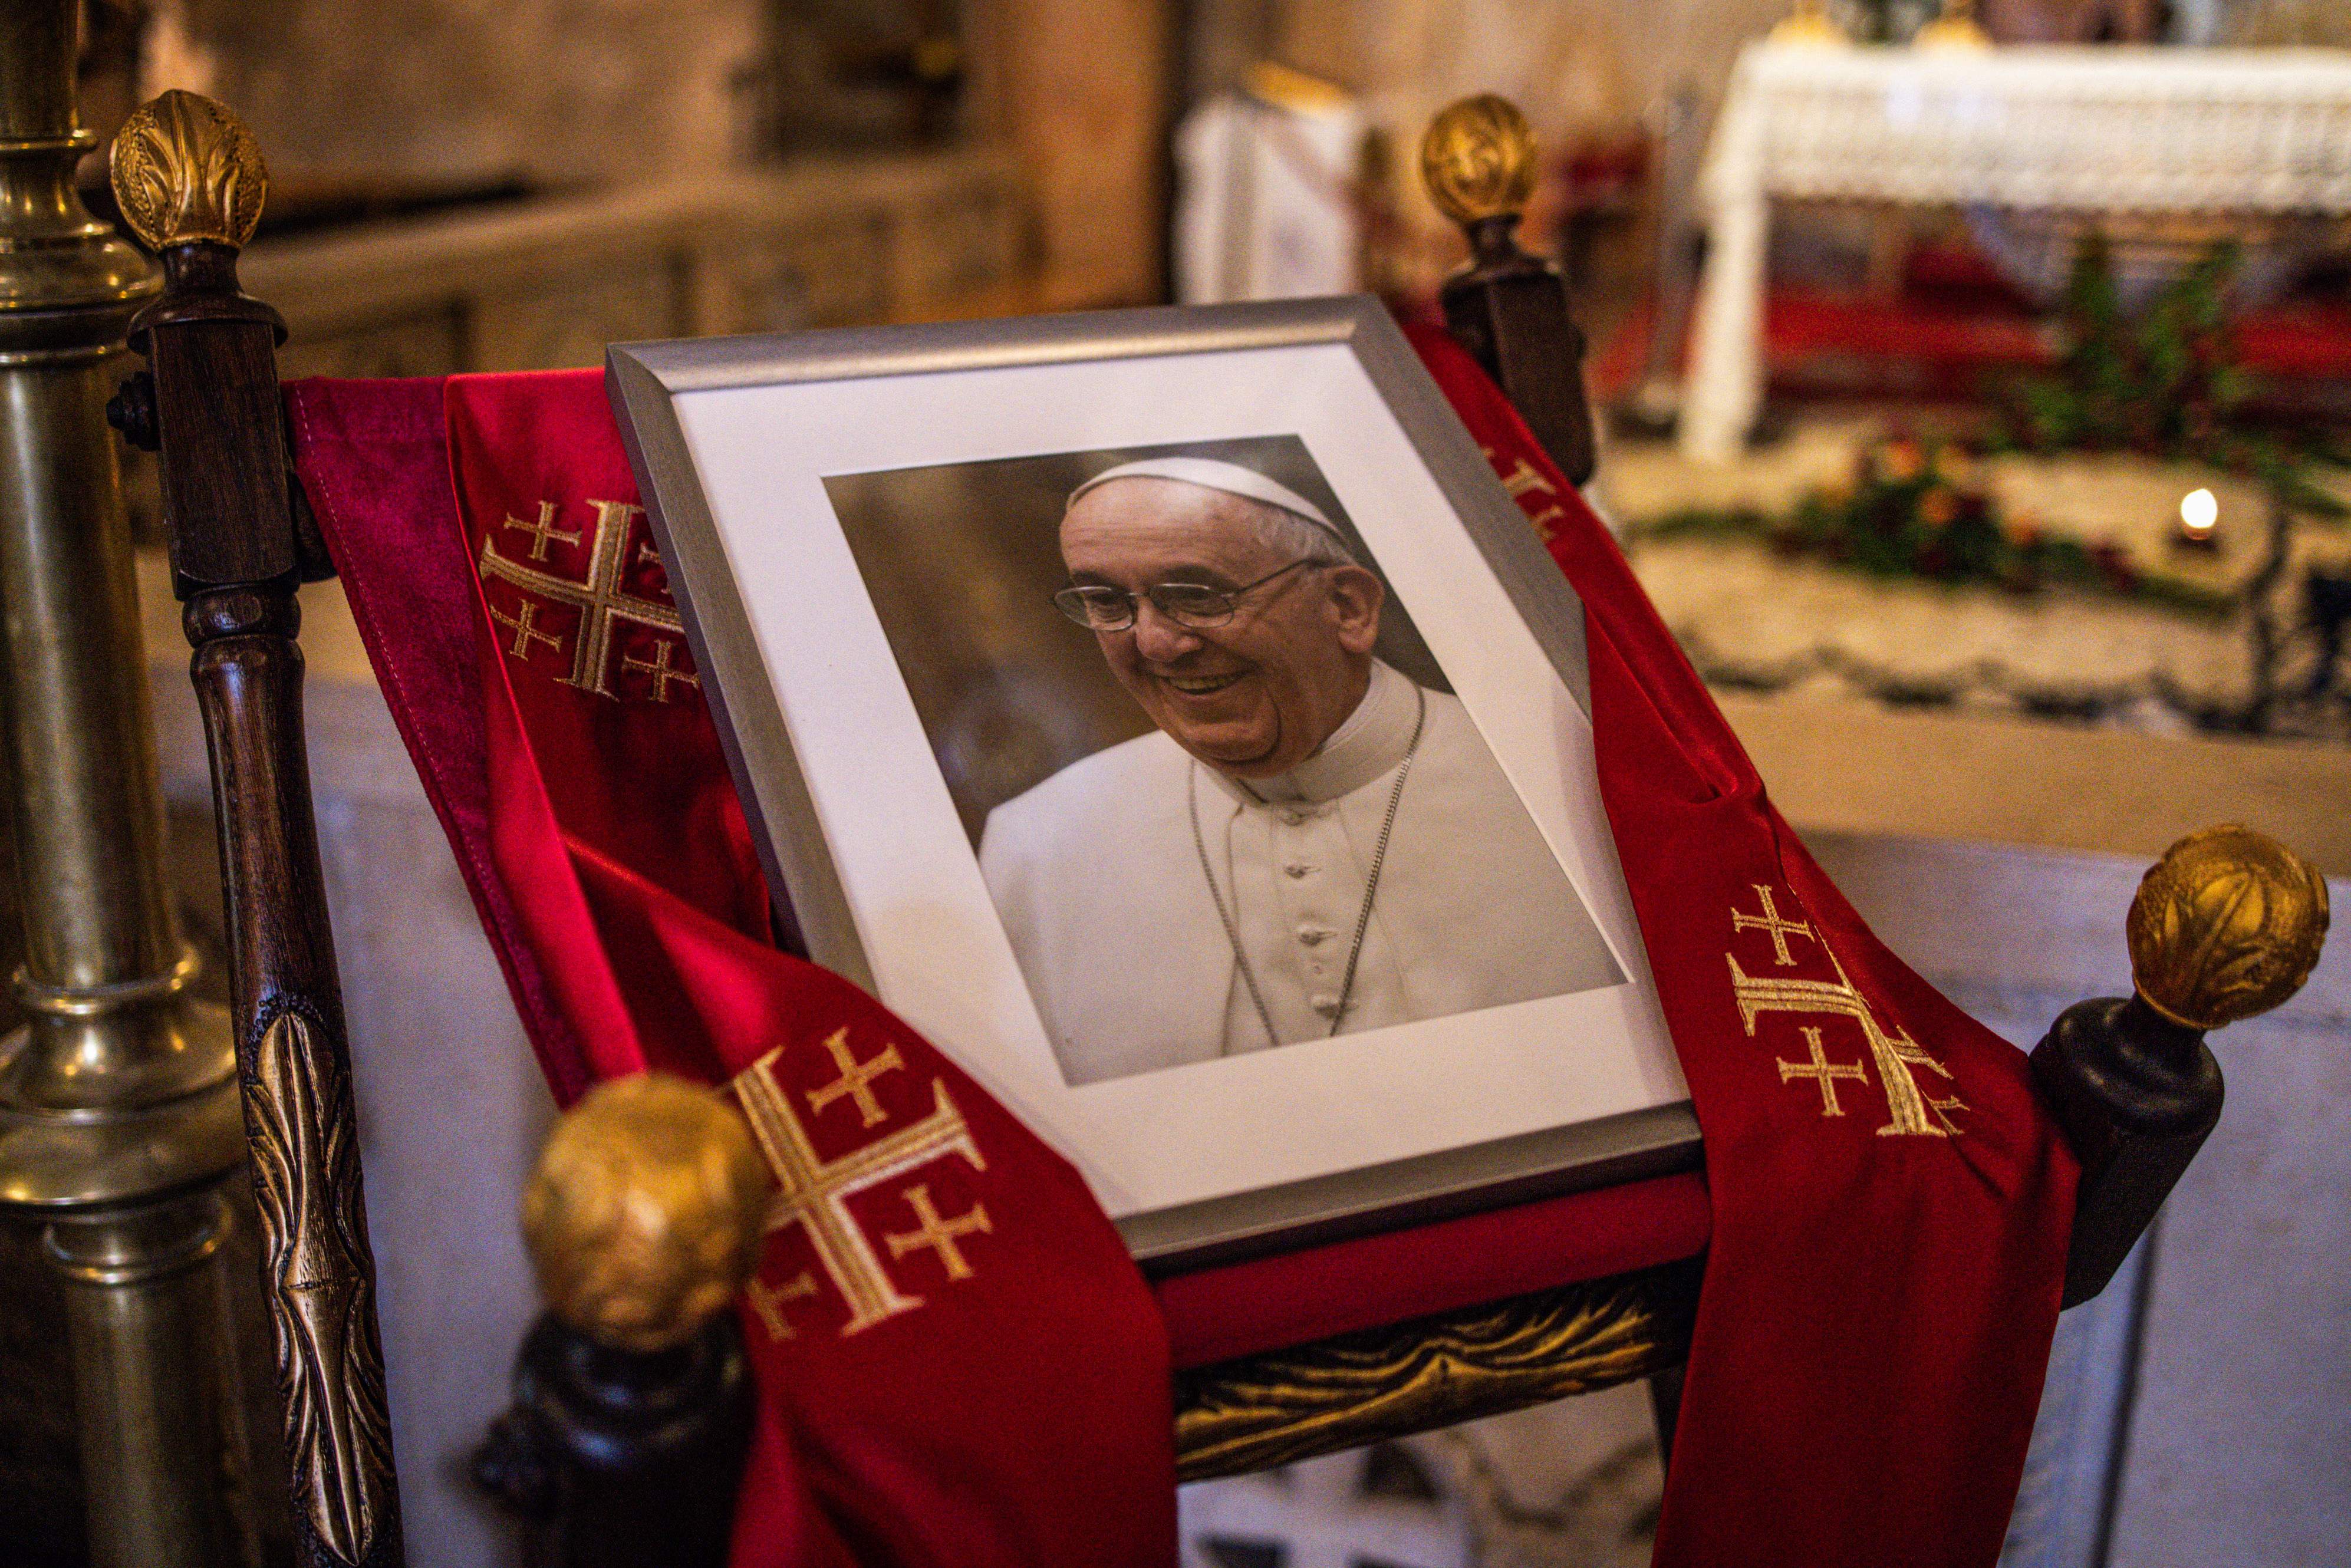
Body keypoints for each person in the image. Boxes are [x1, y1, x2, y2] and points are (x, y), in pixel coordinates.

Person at [979, 456, 1621, 1086]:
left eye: (1196, 595)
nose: (1154, 643)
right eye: (1105, 601)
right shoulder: (1037, 843)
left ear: (1346, 606)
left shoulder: (1567, 778)